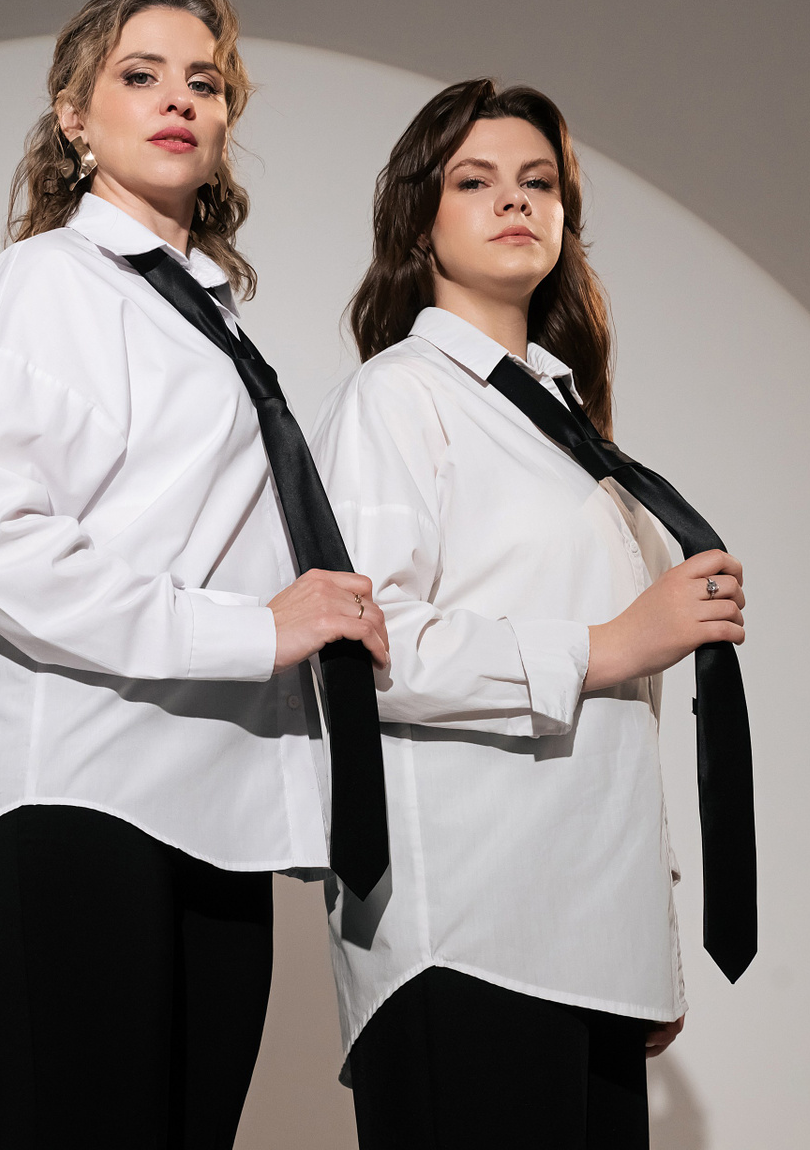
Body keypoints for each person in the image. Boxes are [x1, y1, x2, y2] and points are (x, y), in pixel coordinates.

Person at [0, 0, 389, 1148]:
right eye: (140, 76)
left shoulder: (210, 318)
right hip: (81, 784)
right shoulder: (49, 281)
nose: (181, 98)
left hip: (218, 807)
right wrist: (258, 628)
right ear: (74, 118)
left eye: (206, 81)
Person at [314, 80, 747, 1148]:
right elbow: (365, 652)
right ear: (420, 222)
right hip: (468, 929)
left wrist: (646, 937)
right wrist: (614, 643)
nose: (515, 200)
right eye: (476, 181)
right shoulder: (398, 396)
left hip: (590, 939)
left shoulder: (569, 429)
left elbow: (620, 729)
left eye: (539, 182)